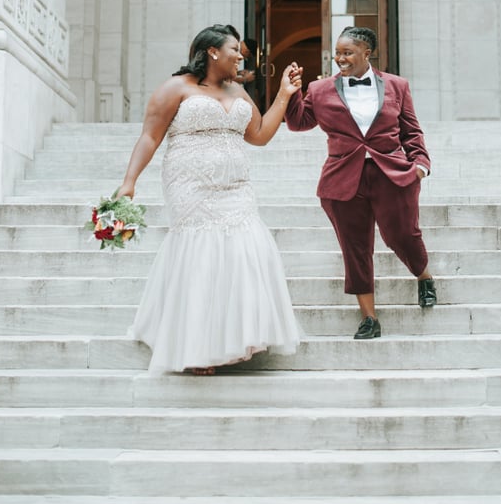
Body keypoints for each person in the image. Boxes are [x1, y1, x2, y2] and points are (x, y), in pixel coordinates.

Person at [116, 24, 302, 375]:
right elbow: (149, 138)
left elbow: (259, 136)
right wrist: (129, 183)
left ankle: (237, 338)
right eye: (235, 50)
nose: (241, 57)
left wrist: (284, 94)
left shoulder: (239, 91)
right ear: (213, 51)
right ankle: (196, 348)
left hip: (236, 187)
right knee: (202, 254)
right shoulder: (176, 88)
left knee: (243, 250)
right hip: (191, 186)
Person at [285, 26, 436, 341]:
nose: (339, 58)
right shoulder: (320, 89)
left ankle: (423, 275)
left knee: (403, 235)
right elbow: (299, 123)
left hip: (391, 173)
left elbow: (411, 130)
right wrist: (291, 92)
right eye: (337, 52)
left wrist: (420, 164)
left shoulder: (397, 85)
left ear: (367, 53)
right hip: (342, 178)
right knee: (354, 247)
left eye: (347, 53)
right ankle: (369, 317)